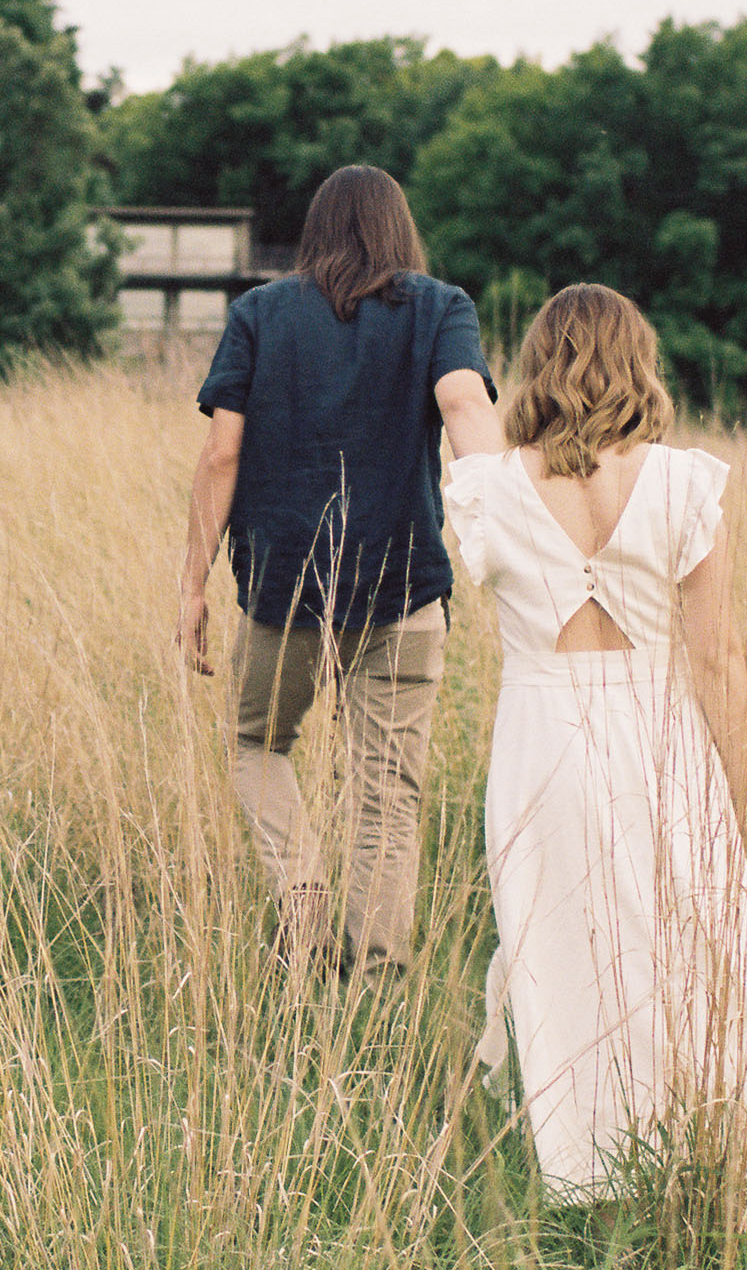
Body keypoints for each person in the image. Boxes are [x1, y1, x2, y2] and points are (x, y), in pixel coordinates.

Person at [443, 283, 747, 1199]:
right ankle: (728, 1142)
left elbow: (462, 417)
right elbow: (719, 663)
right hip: (661, 738)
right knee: (702, 949)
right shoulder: (681, 483)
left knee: (562, 956)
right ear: (640, 362)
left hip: (540, 746)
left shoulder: (489, 487)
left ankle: (596, 1169)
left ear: (537, 366)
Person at [177, 164, 503, 977]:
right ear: (400, 229)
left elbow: (222, 453)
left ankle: (304, 897)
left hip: (283, 587)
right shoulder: (439, 308)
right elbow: (464, 403)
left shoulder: (257, 314)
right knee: (388, 790)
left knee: (257, 743)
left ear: (316, 229)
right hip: (405, 587)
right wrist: (509, 522)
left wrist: (192, 584)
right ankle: (379, 976)